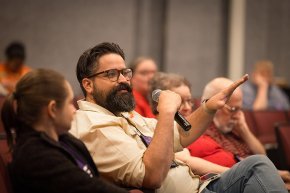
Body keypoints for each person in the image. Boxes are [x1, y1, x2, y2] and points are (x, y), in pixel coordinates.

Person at [71, 42, 287, 193]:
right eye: (111, 74)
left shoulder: (123, 114)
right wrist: (166, 113)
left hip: (203, 186)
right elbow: (152, 177)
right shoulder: (94, 126)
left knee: (258, 164)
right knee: (258, 168)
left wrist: (209, 107)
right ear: (88, 84)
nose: (123, 80)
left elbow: (181, 135)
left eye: (124, 72)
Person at [1, 68, 140, 193]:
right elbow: (89, 188)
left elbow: (92, 181)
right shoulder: (36, 157)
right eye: (69, 103)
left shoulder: (64, 139)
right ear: (53, 109)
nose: (74, 110)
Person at [201, 77, 290, 189]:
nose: (237, 115)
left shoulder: (234, 127)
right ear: (213, 104)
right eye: (233, 109)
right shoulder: (202, 132)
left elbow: (263, 155)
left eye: (240, 109)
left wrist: (244, 130)